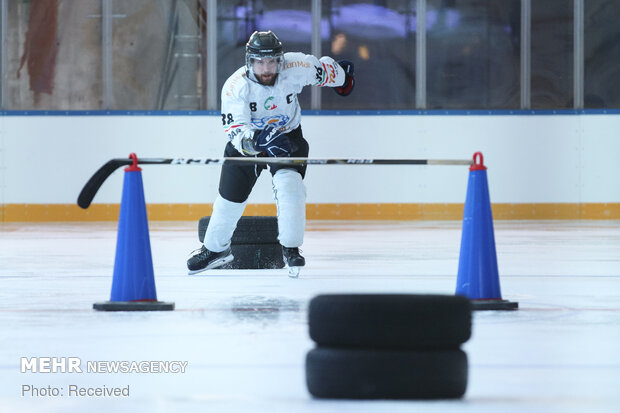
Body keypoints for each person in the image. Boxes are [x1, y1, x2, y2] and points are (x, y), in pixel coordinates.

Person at [187, 30, 355, 275]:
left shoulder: (296, 65)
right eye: (259, 61)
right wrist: (258, 142)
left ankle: (291, 249)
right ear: (250, 61)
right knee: (229, 199)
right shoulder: (235, 87)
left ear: (280, 60)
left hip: (287, 137)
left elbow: (325, 71)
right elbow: (236, 132)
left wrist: (343, 79)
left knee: (290, 189)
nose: (266, 68)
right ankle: (215, 250)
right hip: (250, 142)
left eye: (271, 61)